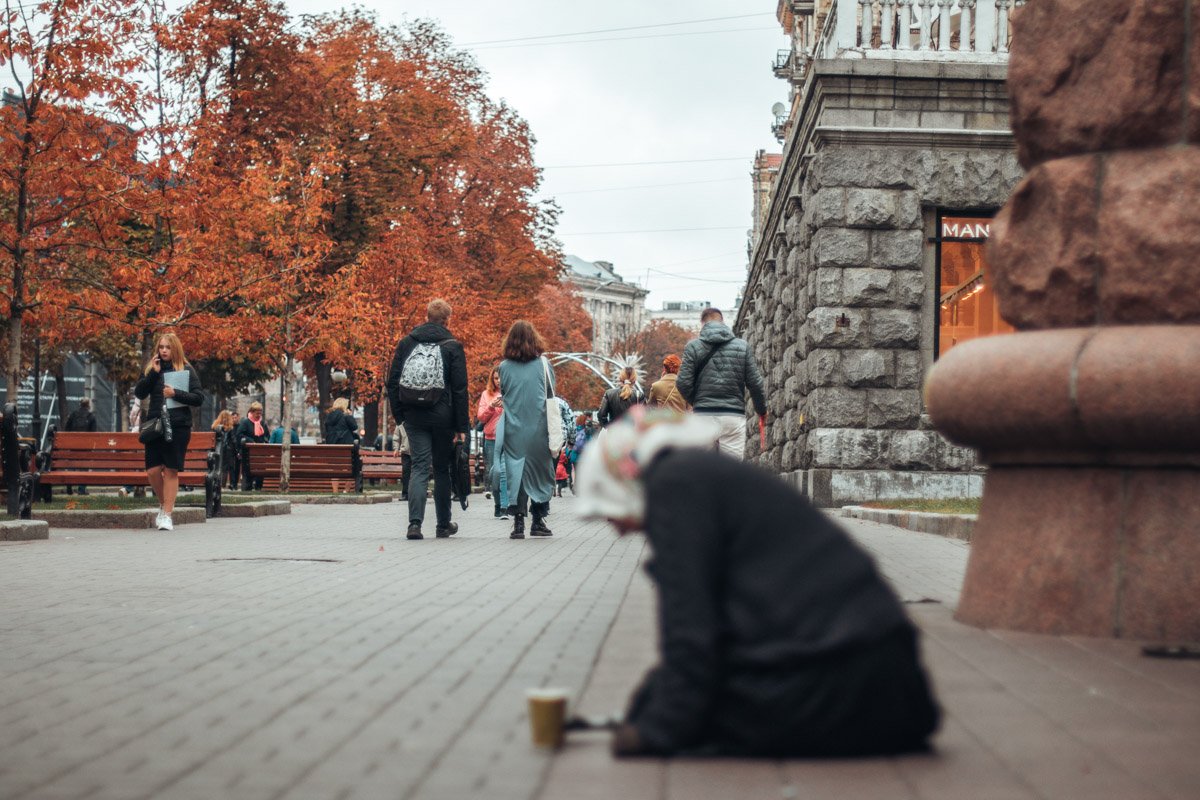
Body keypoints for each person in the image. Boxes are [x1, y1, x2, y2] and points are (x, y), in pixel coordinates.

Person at [576, 408, 941, 758]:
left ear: (623, 478)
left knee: (706, 713)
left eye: (607, 511)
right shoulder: (700, 475)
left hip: (851, 684)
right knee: (674, 698)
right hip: (889, 678)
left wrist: (657, 731)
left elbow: (692, 626)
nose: (615, 528)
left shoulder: (675, 489)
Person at [386, 298, 469, 541]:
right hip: (443, 417)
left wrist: (400, 415)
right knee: (442, 469)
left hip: (413, 415)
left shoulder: (407, 343)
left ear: (427, 315)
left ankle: (414, 524)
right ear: (447, 319)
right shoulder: (453, 347)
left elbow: (393, 382)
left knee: (419, 467)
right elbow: (460, 389)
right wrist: (461, 426)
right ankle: (443, 525)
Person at [676, 307, 767, 460]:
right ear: (722, 321)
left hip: (703, 417)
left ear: (702, 324)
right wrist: (761, 410)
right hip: (732, 416)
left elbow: (682, 382)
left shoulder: (693, 347)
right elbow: (755, 383)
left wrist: (697, 401)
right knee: (732, 472)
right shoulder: (742, 346)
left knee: (704, 468)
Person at [134, 333, 204, 531]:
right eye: (161, 347)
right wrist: (153, 374)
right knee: (153, 470)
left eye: (168, 347)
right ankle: (164, 504)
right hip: (155, 425)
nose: (163, 350)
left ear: (175, 349)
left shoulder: (186, 369)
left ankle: (167, 514)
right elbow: (139, 393)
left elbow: (199, 398)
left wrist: (176, 394)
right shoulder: (152, 368)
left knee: (171, 469)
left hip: (178, 425)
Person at [496, 320, 556, 539]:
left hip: (514, 427)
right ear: (535, 339)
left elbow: (504, 394)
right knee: (540, 471)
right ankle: (538, 520)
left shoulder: (503, 367)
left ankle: (518, 522)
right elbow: (551, 394)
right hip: (539, 428)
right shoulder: (543, 364)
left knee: (516, 472)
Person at [476, 366, 509, 519]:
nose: (499, 381)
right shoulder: (486, 395)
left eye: (501, 377)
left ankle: (504, 507)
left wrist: (507, 407)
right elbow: (481, 417)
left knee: (503, 472)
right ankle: (497, 503)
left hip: (508, 439)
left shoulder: (511, 393)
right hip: (491, 439)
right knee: (493, 473)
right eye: (496, 378)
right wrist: (491, 406)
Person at [63, 398, 97, 495]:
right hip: (85, 448)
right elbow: (93, 434)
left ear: (80, 404)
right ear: (88, 405)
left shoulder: (73, 415)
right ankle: (81, 489)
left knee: (72, 465)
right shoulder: (91, 417)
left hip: (73, 446)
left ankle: (69, 485)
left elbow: (66, 429)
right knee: (84, 466)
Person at [235, 402, 269, 490]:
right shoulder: (246, 422)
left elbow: (267, 435)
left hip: (260, 452)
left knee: (260, 471)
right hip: (248, 452)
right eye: (257, 413)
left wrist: (265, 440)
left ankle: (258, 487)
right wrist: (250, 441)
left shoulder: (262, 423)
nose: (259, 415)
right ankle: (247, 487)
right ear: (252, 412)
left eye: (260, 413)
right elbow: (239, 435)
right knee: (248, 471)